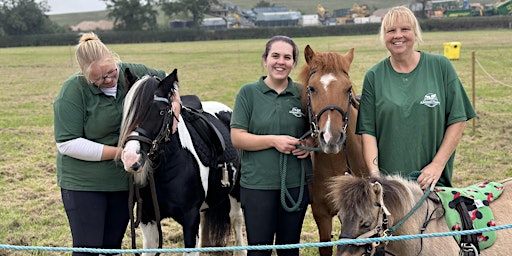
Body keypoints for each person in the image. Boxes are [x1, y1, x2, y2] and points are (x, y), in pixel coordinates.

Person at [53, 32, 180, 256]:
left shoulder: (132, 71)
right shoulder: (72, 92)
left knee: (112, 248)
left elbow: (167, 79)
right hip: (84, 183)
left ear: (114, 60)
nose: (109, 80)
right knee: (88, 249)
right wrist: (120, 152)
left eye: (111, 72)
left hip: (122, 182)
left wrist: (176, 100)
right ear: (86, 76)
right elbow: (67, 143)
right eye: (99, 79)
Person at [356, 6, 476, 191]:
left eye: (405, 29)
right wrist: (375, 175)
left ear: (415, 33)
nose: (398, 35)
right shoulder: (374, 76)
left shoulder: (440, 67)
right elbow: (368, 132)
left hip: (431, 181)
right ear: (383, 36)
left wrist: (437, 165)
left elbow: (458, 120)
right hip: (391, 188)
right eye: (391, 31)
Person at [230, 35, 311, 256]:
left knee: (289, 249)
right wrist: (274, 141)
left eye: (287, 57)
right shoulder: (248, 93)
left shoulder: (303, 94)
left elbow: (315, 131)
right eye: (275, 56)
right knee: (258, 250)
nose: (280, 62)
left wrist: (308, 143)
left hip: (295, 186)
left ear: (294, 63)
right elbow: (237, 137)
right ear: (265, 59)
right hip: (257, 186)